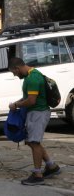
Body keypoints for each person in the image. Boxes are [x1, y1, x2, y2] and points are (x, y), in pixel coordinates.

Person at [8, 57, 60, 186]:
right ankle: (51, 166)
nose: (14, 75)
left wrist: (16, 105)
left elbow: (31, 101)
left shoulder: (32, 79)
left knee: (34, 143)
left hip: (38, 113)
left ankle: (37, 175)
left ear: (17, 68)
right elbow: (29, 97)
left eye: (14, 72)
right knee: (32, 142)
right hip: (36, 112)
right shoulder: (32, 75)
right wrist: (18, 102)